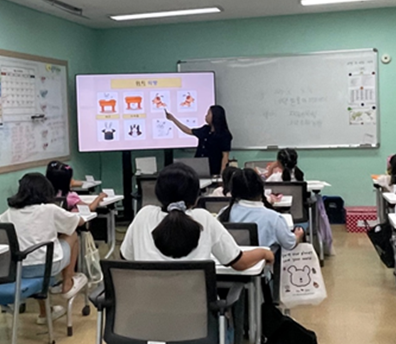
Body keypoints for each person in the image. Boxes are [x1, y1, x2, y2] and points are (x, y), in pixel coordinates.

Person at [121, 163, 274, 269]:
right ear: (195, 197)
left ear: (158, 194)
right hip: (197, 313)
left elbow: (126, 258)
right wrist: (264, 252)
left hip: (144, 312)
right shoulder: (203, 218)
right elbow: (238, 262)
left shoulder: (143, 215)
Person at [0, 173, 88, 324]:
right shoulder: (49, 209)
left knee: (36, 254)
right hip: (48, 266)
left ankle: (45, 312)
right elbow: (77, 222)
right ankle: (67, 282)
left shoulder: (10, 213)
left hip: (19, 268)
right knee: (72, 236)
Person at [217, 168, 303, 250]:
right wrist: (298, 236)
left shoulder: (224, 213)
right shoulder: (274, 218)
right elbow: (289, 244)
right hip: (264, 263)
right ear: (261, 188)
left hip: (231, 264)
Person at [166, 106, 233, 176]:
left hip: (214, 168)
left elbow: (225, 157)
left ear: (215, 116)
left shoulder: (224, 135)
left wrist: (222, 175)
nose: (206, 116)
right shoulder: (205, 129)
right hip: (199, 165)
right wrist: (173, 119)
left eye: (208, 113)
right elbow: (188, 130)